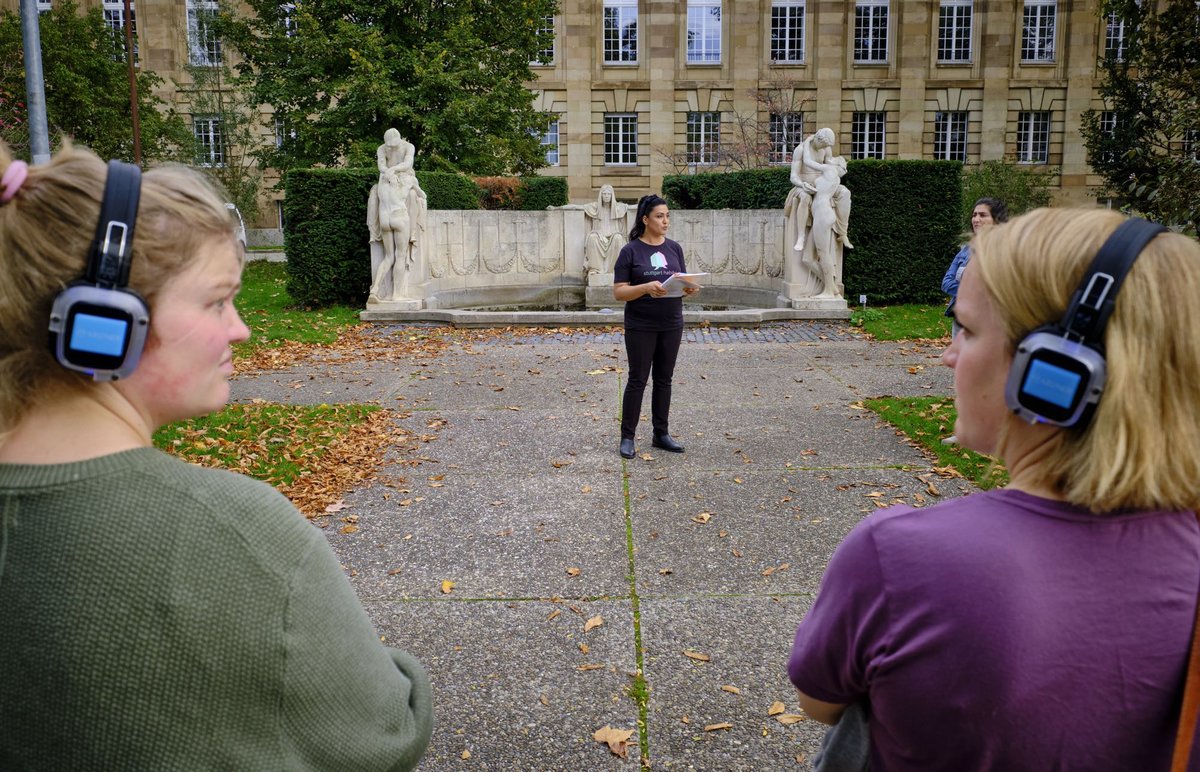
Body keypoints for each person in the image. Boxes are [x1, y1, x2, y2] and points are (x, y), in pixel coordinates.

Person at [0, 144, 433, 768]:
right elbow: (386, 734)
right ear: (107, 319)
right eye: (215, 301)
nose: (241, 328)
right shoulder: (238, 532)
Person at [788, 208, 1200, 769]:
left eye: (967, 328)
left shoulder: (902, 557)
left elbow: (820, 702)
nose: (948, 354)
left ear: (1053, 371)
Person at [612, 194, 699, 459]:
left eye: (667, 215)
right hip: (641, 324)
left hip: (671, 322)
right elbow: (619, 292)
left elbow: (679, 282)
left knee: (664, 379)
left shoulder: (674, 248)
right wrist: (646, 288)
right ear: (645, 219)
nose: (665, 221)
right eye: (660, 216)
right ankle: (627, 437)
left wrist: (688, 289)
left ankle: (661, 433)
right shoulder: (630, 251)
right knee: (638, 379)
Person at [369, 128, 427, 301]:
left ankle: (375, 289)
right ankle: (397, 295)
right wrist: (413, 186)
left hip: (384, 219)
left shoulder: (382, 187)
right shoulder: (408, 180)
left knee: (388, 257)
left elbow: (386, 166)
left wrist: (389, 171)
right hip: (399, 217)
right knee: (400, 256)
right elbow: (422, 196)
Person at [942, 197, 1008, 328]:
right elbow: (946, 283)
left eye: (983, 215)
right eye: (974, 215)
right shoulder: (966, 250)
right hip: (961, 317)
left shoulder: (1005, 250)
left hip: (989, 319)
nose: (976, 219)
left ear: (996, 220)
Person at [787, 127, 852, 253]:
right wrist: (802, 184)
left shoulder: (826, 148)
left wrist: (841, 166)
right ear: (817, 138)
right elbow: (793, 176)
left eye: (826, 146)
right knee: (805, 197)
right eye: (823, 145)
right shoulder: (800, 150)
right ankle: (801, 236)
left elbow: (829, 164)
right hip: (804, 185)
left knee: (845, 193)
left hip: (822, 185)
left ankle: (843, 232)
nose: (824, 148)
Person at [583, 184, 630, 276]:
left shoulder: (618, 208)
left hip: (613, 236)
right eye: (604, 194)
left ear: (612, 195)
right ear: (601, 195)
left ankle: (616, 270)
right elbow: (577, 207)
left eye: (608, 194)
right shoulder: (594, 208)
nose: (606, 196)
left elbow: (633, 207)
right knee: (592, 237)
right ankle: (595, 269)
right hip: (599, 236)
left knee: (618, 238)